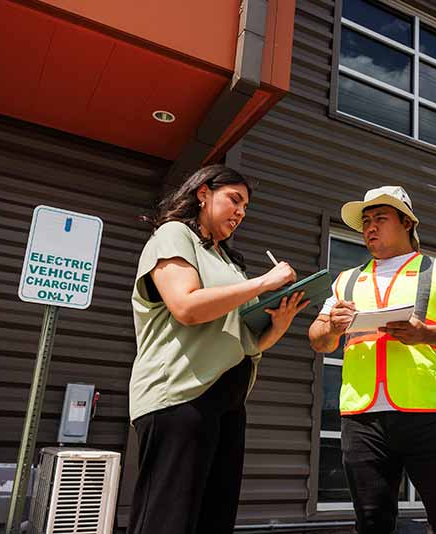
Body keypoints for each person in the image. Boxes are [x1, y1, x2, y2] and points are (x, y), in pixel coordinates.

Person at [127, 165, 309, 534]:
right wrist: (263, 282)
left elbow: (248, 342)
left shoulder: (227, 261)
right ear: (203, 193)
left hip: (227, 402)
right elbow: (187, 307)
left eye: (246, 207)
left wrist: (281, 322)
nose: (241, 211)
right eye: (234, 199)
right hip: (180, 396)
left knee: (214, 518)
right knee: (169, 520)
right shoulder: (174, 235)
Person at [308, 186, 436, 533]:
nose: (370, 227)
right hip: (361, 420)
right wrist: (331, 326)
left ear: (407, 223)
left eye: (380, 218)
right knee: (372, 523)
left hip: (425, 414)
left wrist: (427, 334)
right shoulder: (347, 280)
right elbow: (318, 340)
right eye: (366, 221)